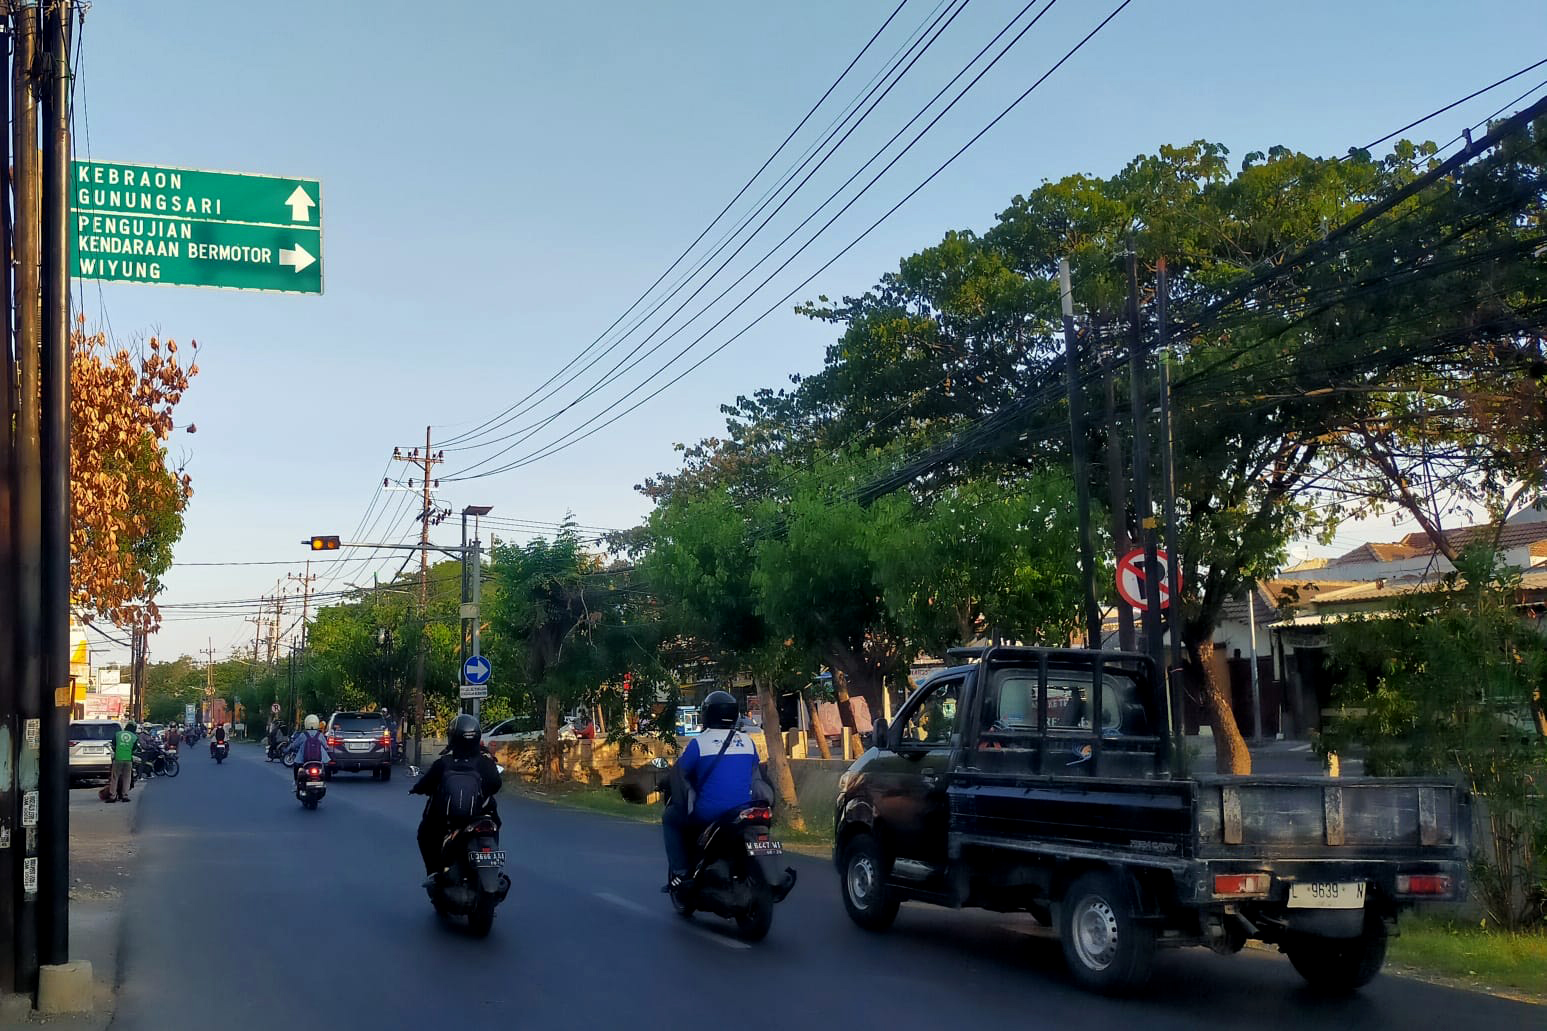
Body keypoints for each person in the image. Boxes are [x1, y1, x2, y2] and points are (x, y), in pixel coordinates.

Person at [661, 690, 763, 891]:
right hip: (744, 810)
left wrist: (664, 782)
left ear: (707, 714)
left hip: (710, 812)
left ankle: (681, 873)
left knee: (671, 818)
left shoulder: (699, 743)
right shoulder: (748, 742)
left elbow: (679, 773)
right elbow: (754, 772)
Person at [409, 714, 502, 880]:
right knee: (493, 823)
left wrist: (416, 789)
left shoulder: (443, 763)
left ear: (453, 736)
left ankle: (434, 873)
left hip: (448, 820)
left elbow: (426, 784)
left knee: (425, 833)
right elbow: (496, 785)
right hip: (481, 818)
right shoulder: (485, 763)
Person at [108, 720, 137, 803]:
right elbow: (134, 750)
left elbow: (113, 745)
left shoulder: (118, 734)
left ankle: (113, 796)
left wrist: (118, 751)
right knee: (127, 778)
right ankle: (125, 795)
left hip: (118, 759)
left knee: (115, 777)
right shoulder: (134, 737)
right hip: (128, 759)